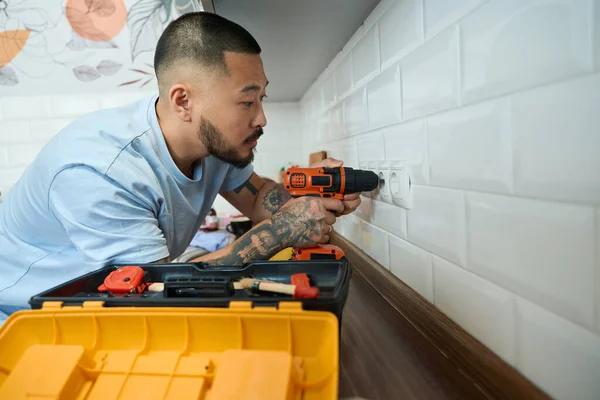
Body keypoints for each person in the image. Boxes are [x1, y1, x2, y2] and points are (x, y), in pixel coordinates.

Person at [0, 12, 361, 321]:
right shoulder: (100, 173)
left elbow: (258, 198)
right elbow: (158, 287)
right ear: (183, 100)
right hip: (26, 318)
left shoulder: (214, 143)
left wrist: (314, 201)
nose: (261, 118)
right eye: (247, 101)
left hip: (109, 303)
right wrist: (280, 233)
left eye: (261, 98)